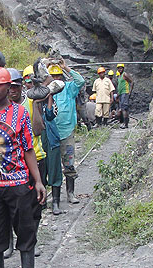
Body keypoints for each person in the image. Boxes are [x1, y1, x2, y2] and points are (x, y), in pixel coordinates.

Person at [0, 66, 46, 268]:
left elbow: (28, 149)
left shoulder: (21, 113)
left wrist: (38, 181)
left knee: (25, 234)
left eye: (0, 85)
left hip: (18, 185)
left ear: (9, 87)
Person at [7, 67, 46, 257]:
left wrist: (37, 103)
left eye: (16, 86)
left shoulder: (30, 102)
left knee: (34, 208)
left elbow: (38, 130)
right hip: (11, 167)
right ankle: (8, 242)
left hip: (35, 159)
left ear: (22, 86)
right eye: (9, 86)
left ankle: (32, 241)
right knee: (8, 209)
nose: (12, 90)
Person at [48, 60, 85, 204]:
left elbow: (80, 81)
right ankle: (54, 198)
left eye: (58, 76)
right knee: (53, 165)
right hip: (51, 133)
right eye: (53, 76)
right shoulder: (47, 91)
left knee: (69, 163)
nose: (56, 79)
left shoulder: (69, 88)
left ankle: (70, 193)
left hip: (67, 132)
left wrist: (65, 68)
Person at [116, 63, 134, 129]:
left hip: (125, 93)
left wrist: (130, 92)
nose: (120, 69)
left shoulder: (125, 74)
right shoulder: (119, 76)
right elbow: (120, 86)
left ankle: (125, 123)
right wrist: (118, 94)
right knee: (123, 108)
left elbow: (132, 82)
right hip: (121, 94)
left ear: (123, 68)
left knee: (124, 108)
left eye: (121, 68)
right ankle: (125, 122)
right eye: (118, 68)